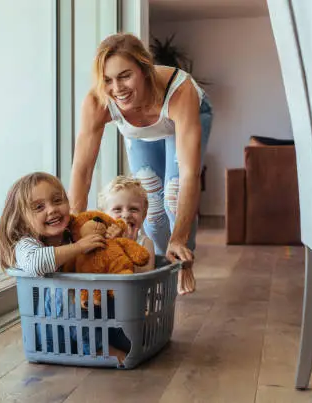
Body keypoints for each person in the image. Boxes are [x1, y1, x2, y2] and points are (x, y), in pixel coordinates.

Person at [68, 33, 213, 295]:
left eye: (125, 76)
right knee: (153, 210)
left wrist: (179, 237)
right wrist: (72, 232)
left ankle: (182, 262)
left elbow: (190, 174)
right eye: (108, 80)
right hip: (142, 133)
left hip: (185, 117)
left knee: (172, 194)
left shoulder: (180, 91)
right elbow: (82, 169)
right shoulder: (98, 101)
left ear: (144, 69)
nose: (117, 88)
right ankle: (157, 270)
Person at [0, 171, 128, 361]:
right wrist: (79, 247)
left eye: (57, 201)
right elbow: (37, 264)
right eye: (39, 207)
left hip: (85, 323)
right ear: (22, 219)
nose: (52, 210)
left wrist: (110, 237)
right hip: (52, 333)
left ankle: (124, 338)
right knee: (65, 291)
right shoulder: (26, 244)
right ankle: (99, 350)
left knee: (104, 289)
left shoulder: (73, 233)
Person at [98, 175, 155, 272]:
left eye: (133, 209)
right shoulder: (99, 239)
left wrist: (128, 246)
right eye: (117, 209)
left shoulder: (145, 243)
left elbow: (145, 273)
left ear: (144, 214)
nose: (126, 215)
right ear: (104, 215)